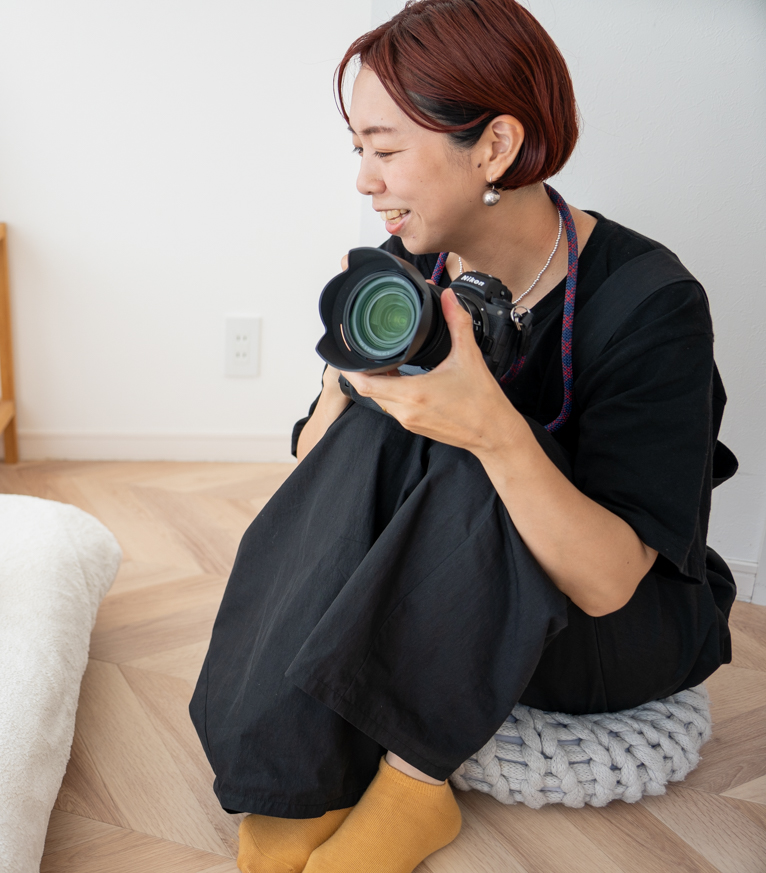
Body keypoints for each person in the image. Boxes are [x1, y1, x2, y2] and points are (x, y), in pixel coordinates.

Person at [188, 2, 736, 872]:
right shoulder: (412, 269)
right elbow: (311, 476)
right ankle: (294, 773)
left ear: (492, 147)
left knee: (497, 443)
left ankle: (414, 785)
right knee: (382, 421)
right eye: (358, 151)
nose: (365, 181)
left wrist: (491, 429)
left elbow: (607, 583)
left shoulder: (651, 302)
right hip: (447, 603)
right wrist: (348, 372)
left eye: (386, 148)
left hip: (607, 634)